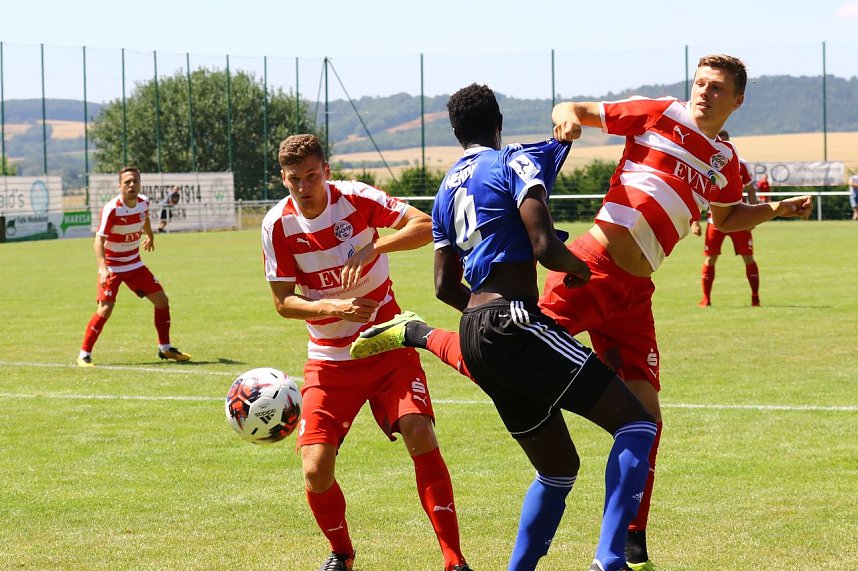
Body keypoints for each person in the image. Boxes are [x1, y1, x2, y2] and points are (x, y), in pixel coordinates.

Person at [353, 55, 813, 571]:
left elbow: (726, 218)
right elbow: (573, 107)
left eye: (717, 87)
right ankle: (418, 334)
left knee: (646, 419)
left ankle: (630, 541)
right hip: (588, 270)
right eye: (700, 83)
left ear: (738, 100)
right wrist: (567, 117)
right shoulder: (662, 112)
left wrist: (773, 209)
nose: (704, 92)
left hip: (636, 294)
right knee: (510, 344)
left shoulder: (727, 163)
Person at [358, 84, 657, 571]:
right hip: (513, 321)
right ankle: (609, 559)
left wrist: (483, 320)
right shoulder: (514, 162)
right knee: (637, 424)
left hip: (476, 328)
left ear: (456, 133)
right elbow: (543, 245)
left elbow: (442, 284)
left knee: (558, 469)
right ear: (499, 123)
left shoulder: (445, 190)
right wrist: (578, 270)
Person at [260, 134, 471, 571]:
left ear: (327, 172)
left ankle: (454, 561)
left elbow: (423, 225)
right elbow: (283, 301)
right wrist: (331, 306)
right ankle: (342, 553)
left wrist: (376, 244)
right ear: (283, 179)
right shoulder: (276, 225)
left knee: (420, 432)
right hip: (329, 360)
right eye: (294, 179)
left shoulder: (355, 197)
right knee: (316, 469)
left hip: (390, 344)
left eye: (312, 176)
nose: (304, 187)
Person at [77, 166, 191, 367]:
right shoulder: (112, 208)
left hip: (134, 264)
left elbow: (144, 218)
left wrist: (150, 235)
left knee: (162, 300)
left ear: (139, 183)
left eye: (135, 181)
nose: (132, 185)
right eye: (127, 182)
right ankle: (84, 354)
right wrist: (103, 268)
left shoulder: (144, 202)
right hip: (112, 266)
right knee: (105, 309)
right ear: (120, 185)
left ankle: (165, 348)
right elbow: (98, 240)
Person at [690, 130, 761, 307]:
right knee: (710, 258)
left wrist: (754, 217)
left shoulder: (739, 163)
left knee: (748, 257)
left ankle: (755, 297)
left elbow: (750, 189)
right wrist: (695, 221)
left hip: (739, 219)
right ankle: (706, 299)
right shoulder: (706, 163)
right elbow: (697, 192)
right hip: (715, 222)